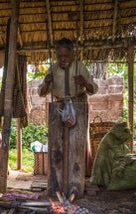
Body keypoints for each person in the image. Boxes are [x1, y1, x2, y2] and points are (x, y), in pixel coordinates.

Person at [38, 37, 98, 174]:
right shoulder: (52, 68)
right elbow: (41, 92)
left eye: (66, 56)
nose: (63, 59)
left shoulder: (79, 66)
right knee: (58, 140)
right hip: (59, 108)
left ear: (72, 55)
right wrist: (47, 83)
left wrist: (84, 83)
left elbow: (93, 88)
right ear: (56, 56)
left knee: (77, 140)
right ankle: (59, 173)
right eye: (59, 56)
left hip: (78, 105)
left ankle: (77, 173)